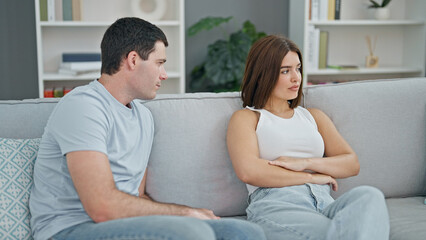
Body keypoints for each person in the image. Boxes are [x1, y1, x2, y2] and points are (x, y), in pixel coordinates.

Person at [29, 17, 266, 240]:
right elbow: (101, 207)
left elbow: (137, 195)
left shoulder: (144, 117)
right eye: (159, 63)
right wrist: (183, 214)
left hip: (123, 224)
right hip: (71, 229)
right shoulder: (84, 106)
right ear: (133, 60)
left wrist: (192, 213)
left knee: (244, 232)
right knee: (193, 233)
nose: (163, 74)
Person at [226, 35, 390, 240]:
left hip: (325, 203)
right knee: (336, 234)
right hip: (278, 204)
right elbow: (249, 171)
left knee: (369, 195)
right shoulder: (247, 118)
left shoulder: (313, 116)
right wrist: (311, 177)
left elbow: (351, 163)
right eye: (285, 71)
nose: (296, 78)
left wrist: (303, 163)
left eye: (298, 68)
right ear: (262, 75)